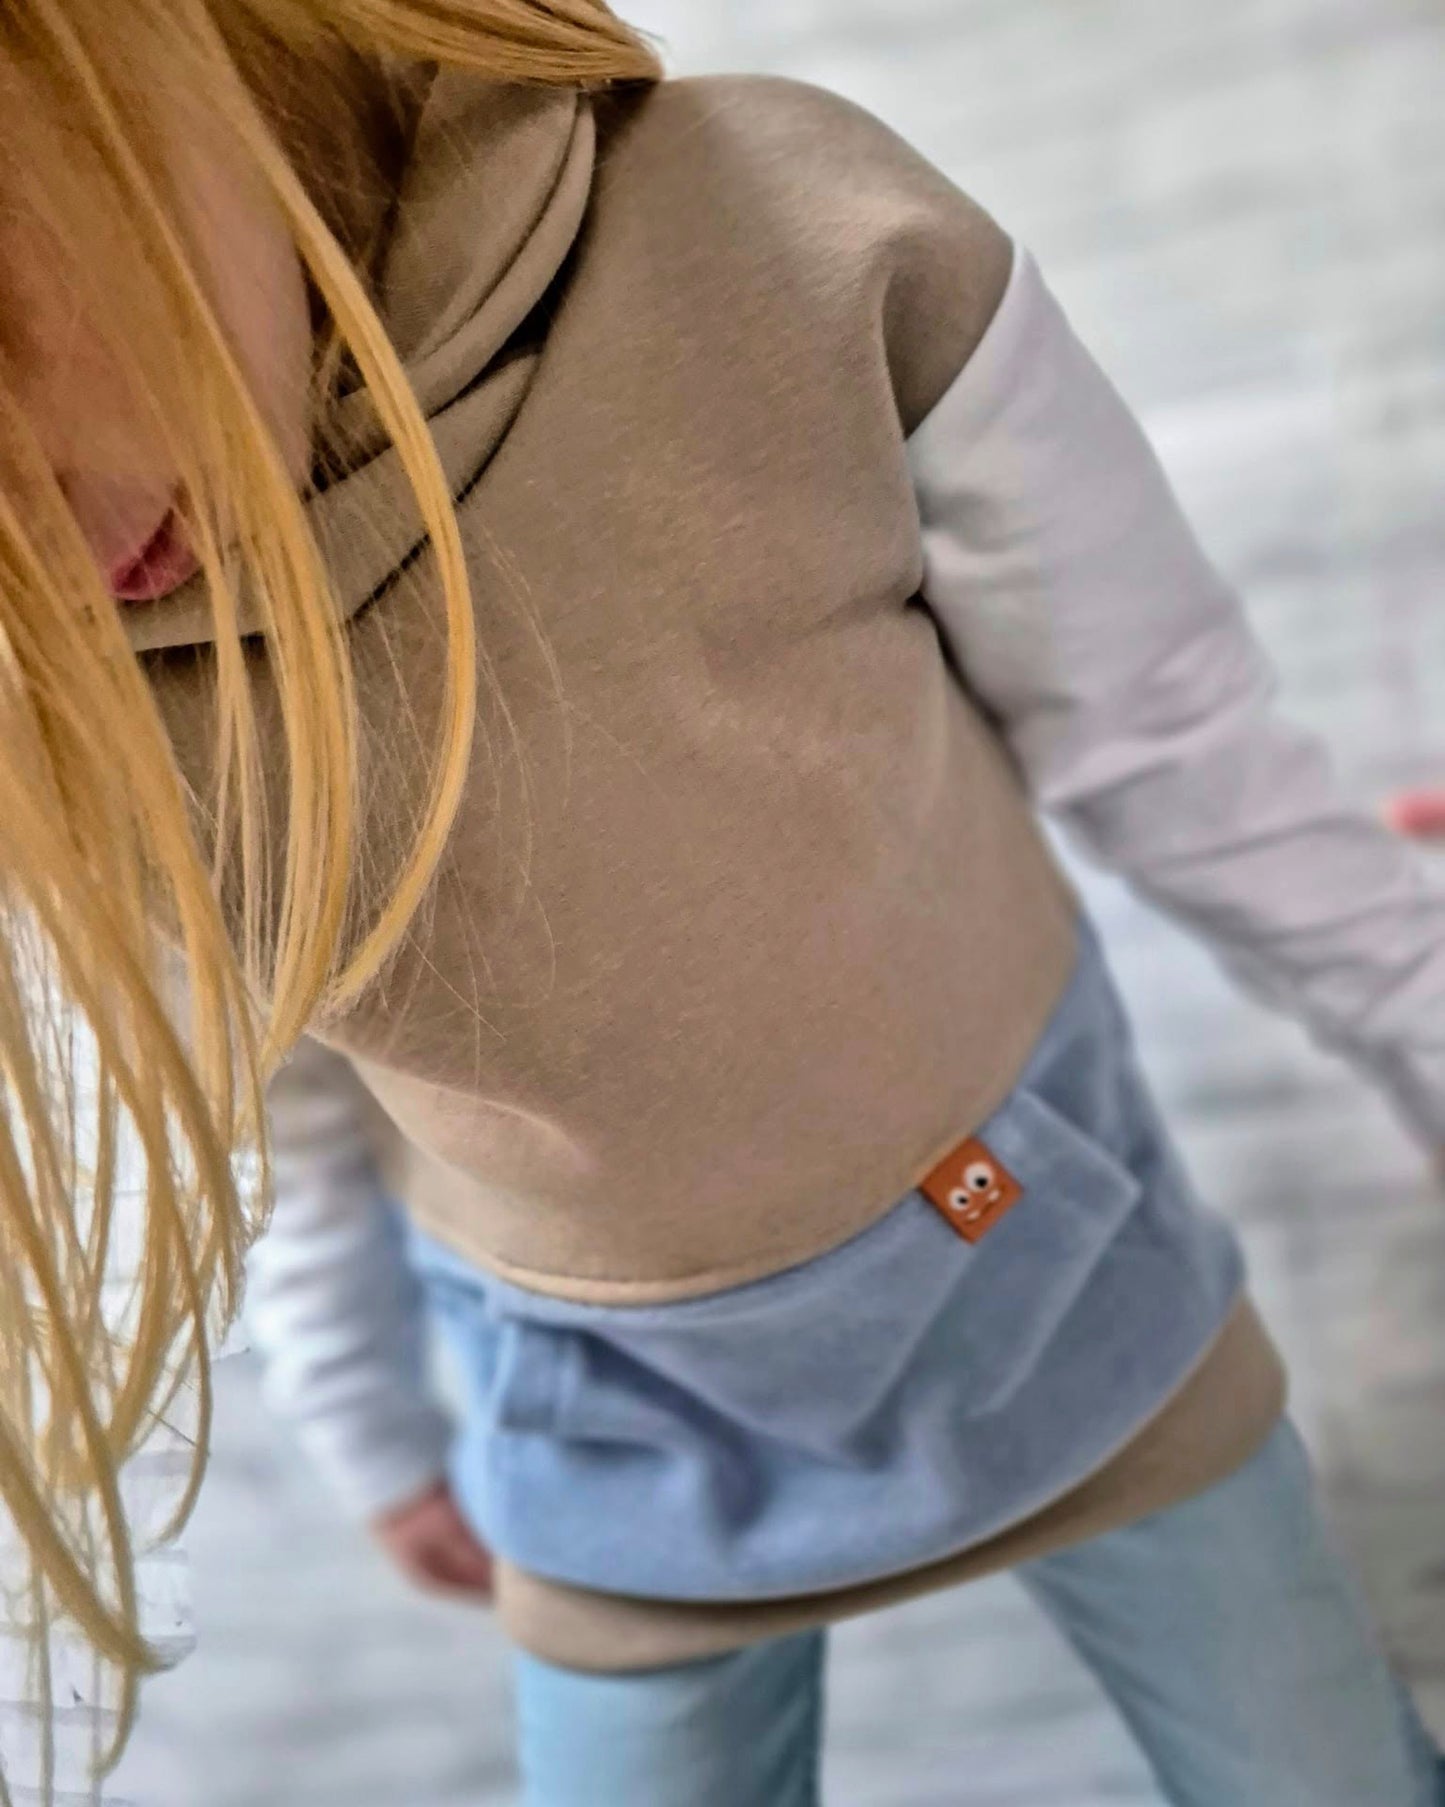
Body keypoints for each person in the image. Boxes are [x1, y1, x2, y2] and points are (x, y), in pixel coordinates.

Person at [3, 2, 1444, 1802]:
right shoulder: (62, 683)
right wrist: (370, 1422)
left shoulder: (778, 233)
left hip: (1042, 1264)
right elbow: (265, 1065)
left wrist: (1417, 1022)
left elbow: (1165, 738)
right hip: (599, 1421)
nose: (31, 535)